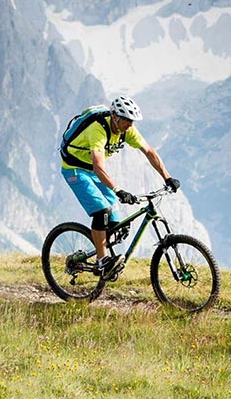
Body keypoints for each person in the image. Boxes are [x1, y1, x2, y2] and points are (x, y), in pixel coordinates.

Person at [59, 95, 180, 275]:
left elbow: (149, 151)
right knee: (102, 212)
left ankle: (103, 255)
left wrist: (167, 177)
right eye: (126, 120)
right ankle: (101, 261)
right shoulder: (97, 129)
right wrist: (118, 190)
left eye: (132, 121)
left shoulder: (127, 130)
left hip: (93, 171)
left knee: (115, 221)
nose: (130, 125)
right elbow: (99, 167)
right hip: (75, 169)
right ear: (115, 117)